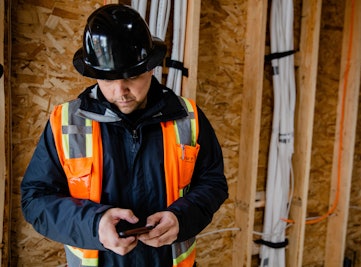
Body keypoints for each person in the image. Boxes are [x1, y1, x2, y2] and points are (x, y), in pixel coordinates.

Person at [20, 4, 228, 267]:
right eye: (107, 80)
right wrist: (94, 225)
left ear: (151, 67)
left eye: (132, 76)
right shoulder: (64, 123)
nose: (120, 91)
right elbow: (35, 199)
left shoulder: (188, 117)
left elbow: (213, 183)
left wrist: (181, 218)